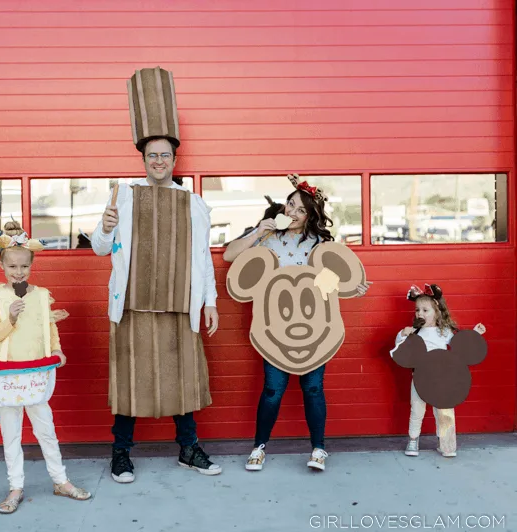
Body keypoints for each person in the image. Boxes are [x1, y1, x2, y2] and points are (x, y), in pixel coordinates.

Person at [91, 136, 221, 483]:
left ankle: (188, 448)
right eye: (153, 155)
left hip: (180, 305)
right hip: (132, 305)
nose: (159, 160)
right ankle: (120, 453)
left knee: (183, 378)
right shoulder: (124, 195)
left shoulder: (193, 203)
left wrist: (210, 301)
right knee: (128, 380)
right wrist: (104, 229)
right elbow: (99, 248)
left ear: (174, 160)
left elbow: (203, 256)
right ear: (144, 159)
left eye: (165, 155)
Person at [223, 175, 371, 472]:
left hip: (314, 329)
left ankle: (318, 448)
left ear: (310, 216)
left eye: (300, 210)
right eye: (290, 204)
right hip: (275, 329)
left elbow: (325, 285)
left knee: (313, 388)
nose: (291, 212)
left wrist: (349, 287)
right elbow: (229, 256)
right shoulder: (266, 237)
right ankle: (259, 446)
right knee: (272, 390)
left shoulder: (319, 245)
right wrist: (257, 232)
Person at [0, 221, 90, 514]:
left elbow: (47, 327)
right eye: (12, 266)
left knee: (46, 429)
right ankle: (15, 486)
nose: (18, 272)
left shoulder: (41, 295)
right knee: (11, 434)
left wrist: (56, 348)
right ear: (1, 264)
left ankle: (60, 480)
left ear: (31, 265)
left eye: (24, 267)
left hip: (34, 372)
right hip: (5, 373)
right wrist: (11, 318)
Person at [391, 284, 486, 458]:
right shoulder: (415, 332)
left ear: (437, 311)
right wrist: (403, 334)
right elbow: (400, 348)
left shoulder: (445, 331)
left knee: (444, 409)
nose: (420, 313)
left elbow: (461, 345)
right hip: (420, 376)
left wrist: (475, 333)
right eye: (417, 310)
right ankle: (413, 440)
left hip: (442, 377)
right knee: (417, 409)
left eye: (425, 310)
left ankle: (446, 444)